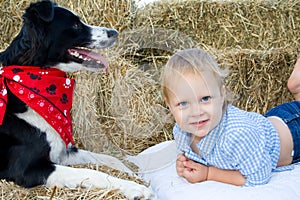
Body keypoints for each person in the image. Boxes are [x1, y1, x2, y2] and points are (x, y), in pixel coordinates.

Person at [161, 48, 300, 186]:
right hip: (270, 123)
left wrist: (209, 173)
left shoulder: (236, 135)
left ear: (222, 95)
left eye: (205, 99)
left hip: (295, 130)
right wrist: (186, 164)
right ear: (169, 105)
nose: (196, 112)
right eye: (183, 103)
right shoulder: (181, 132)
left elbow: (258, 178)